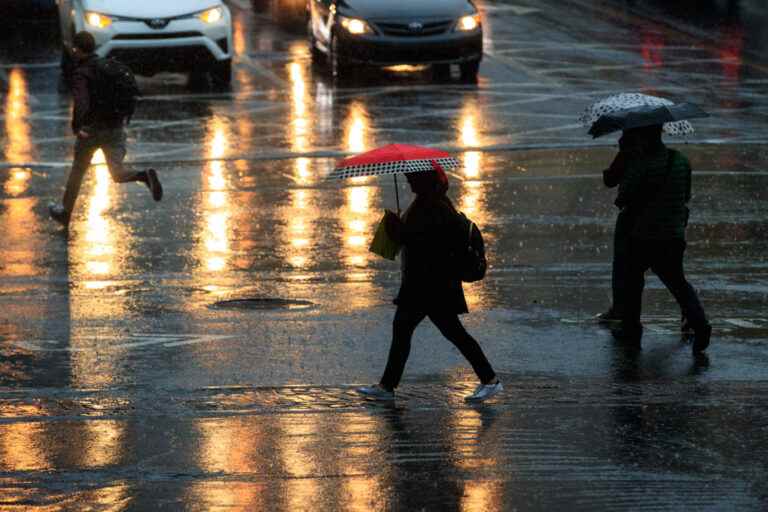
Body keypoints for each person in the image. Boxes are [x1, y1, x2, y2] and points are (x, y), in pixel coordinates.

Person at [356, 165, 502, 402]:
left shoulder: (433, 207)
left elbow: (426, 244)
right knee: (415, 332)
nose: (409, 183)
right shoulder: (430, 202)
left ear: (424, 181)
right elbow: (421, 240)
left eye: (412, 179)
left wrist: (399, 232)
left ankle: (490, 380)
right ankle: (387, 386)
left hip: (430, 287)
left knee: (444, 334)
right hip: (427, 285)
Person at [612, 124, 711, 353]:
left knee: (632, 281)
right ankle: (701, 324)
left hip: (642, 234)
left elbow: (622, 198)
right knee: (678, 283)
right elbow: (686, 195)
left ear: (642, 137)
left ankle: (631, 328)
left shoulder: (641, 163)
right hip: (673, 234)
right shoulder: (680, 161)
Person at [49, 31, 162, 227]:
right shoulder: (108, 66)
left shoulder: (82, 72)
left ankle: (65, 212)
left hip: (92, 131)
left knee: (78, 171)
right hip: (115, 127)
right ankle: (143, 175)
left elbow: (81, 101)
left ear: (77, 50)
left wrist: (78, 126)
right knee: (117, 172)